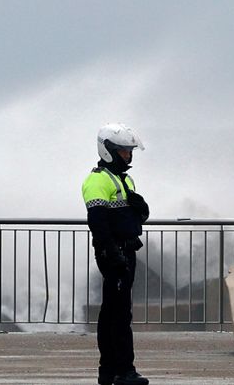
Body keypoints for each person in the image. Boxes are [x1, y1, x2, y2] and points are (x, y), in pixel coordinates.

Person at [82, 123, 150, 385]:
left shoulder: (125, 179)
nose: (128, 156)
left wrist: (142, 209)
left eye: (130, 151)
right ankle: (124, 370)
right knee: (119, 314)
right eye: (123, 151)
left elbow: (134, 216)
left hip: (127, 250)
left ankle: (108, 371)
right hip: (114, 253)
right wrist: (112, 253)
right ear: (109, 150)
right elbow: (98, 224)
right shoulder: (97, 180)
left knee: (114, 311)